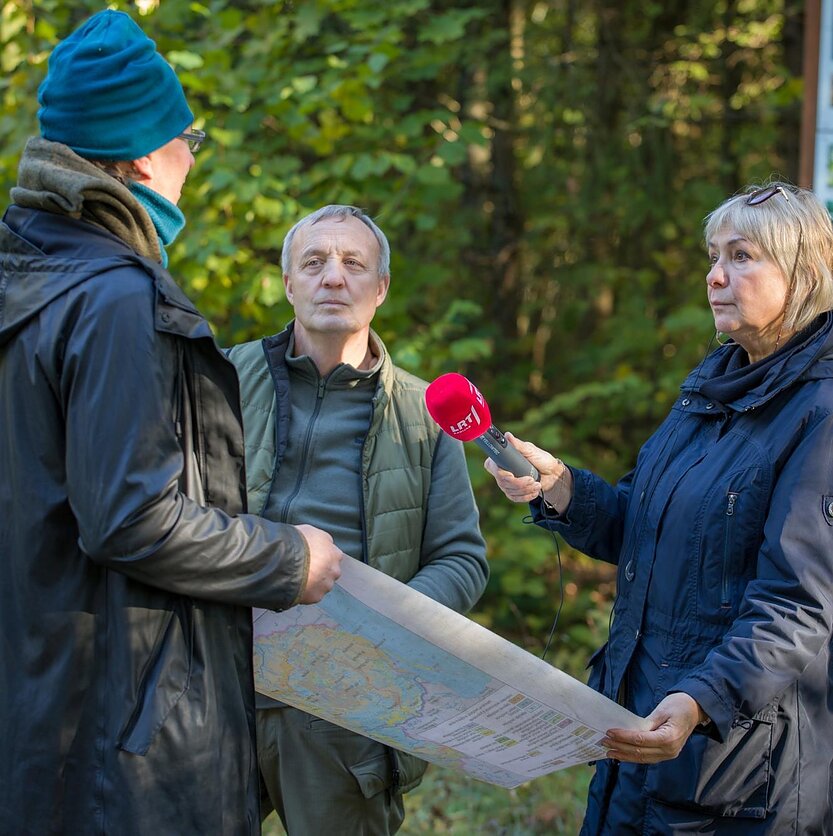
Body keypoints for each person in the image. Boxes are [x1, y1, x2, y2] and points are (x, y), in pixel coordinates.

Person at [0, 11, 344, 834]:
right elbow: (130, 518)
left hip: (44, 709)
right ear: (144, 154)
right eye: (189, 136)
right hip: (133, 743)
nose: (193, 155)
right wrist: (286, 557)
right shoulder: (114, 296)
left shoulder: (25, 275)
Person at [485, 182, 833, 834]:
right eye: (711, 255)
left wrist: (701, 701)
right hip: (635, 733)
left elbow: (797, 605)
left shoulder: (820, 412)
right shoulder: (711, 387)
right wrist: (558, 486)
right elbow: (638, 526)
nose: (713, 275)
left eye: (740, 255)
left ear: (803, 273)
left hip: (738, 773)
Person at [228, 204, 489, 835]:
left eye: (353, 264)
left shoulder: (424, 416)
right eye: (313, 262)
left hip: (345, 701)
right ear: (288, 283)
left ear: (380, 289)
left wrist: (381, 619)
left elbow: (463, 559)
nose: (332, 278)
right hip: (217, 677)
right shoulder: (223, 377)